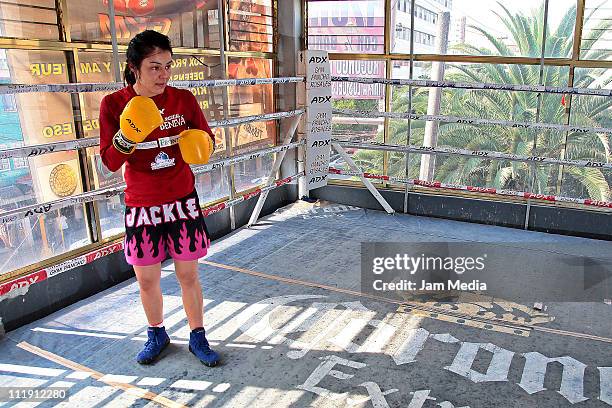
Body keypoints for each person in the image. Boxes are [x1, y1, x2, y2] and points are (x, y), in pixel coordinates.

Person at [99, 30, 219, 367]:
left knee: (188, 275)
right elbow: (109, 161)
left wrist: (200, 144)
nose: (163, 75)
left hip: (182, 197)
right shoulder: (113, 104)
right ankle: (157, 333)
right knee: (147, 279)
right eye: (154, 67)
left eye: (168, 66)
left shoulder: (184, 99)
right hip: (141, 203)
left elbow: (207, 142)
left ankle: (198, 336)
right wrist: (128, 136)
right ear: (134, 68)